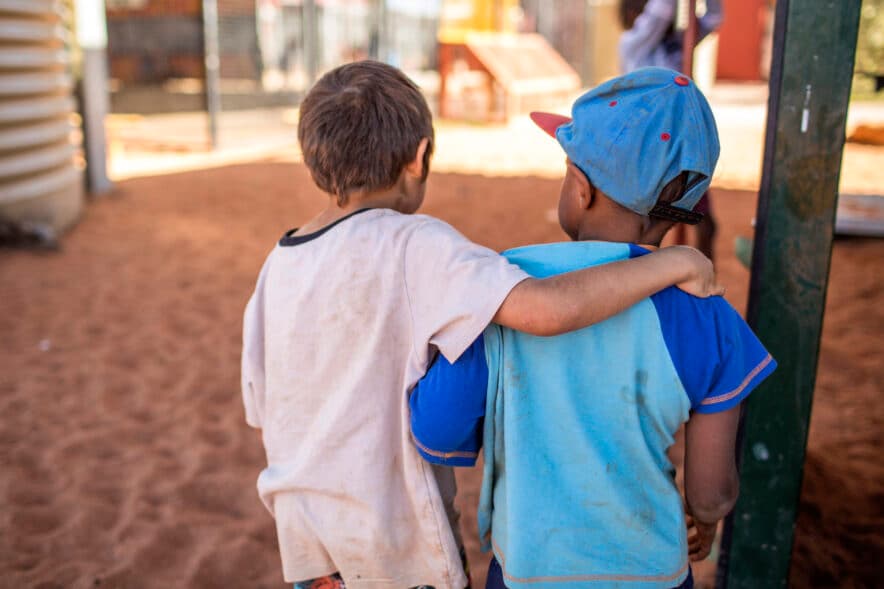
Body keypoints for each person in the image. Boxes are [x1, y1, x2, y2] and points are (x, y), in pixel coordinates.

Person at [241, 61, 723, 589]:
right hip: (396, 543)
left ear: (314, 158)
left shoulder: (277, 265)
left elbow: (263, 403)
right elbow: (543, 312)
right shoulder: (418, 244)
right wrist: (669, 263)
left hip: (309, 544)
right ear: (419, 158)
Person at [410, 67, 777, 589]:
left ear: (580, 189)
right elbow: (711, 491)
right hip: (655, 575)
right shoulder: (704, 309)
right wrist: (708, 520)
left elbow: (437, 428)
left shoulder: (501, 294)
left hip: (528, 576)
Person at [619, 0, 722, 260]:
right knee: (650, 229)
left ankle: (703, 288)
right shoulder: (634, 45)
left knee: (704, 224)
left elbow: (714, 17)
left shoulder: (676, 44)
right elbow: (661, 11)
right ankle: (646, 282)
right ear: (634, 15)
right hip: (652, 152)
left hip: (682, 151)